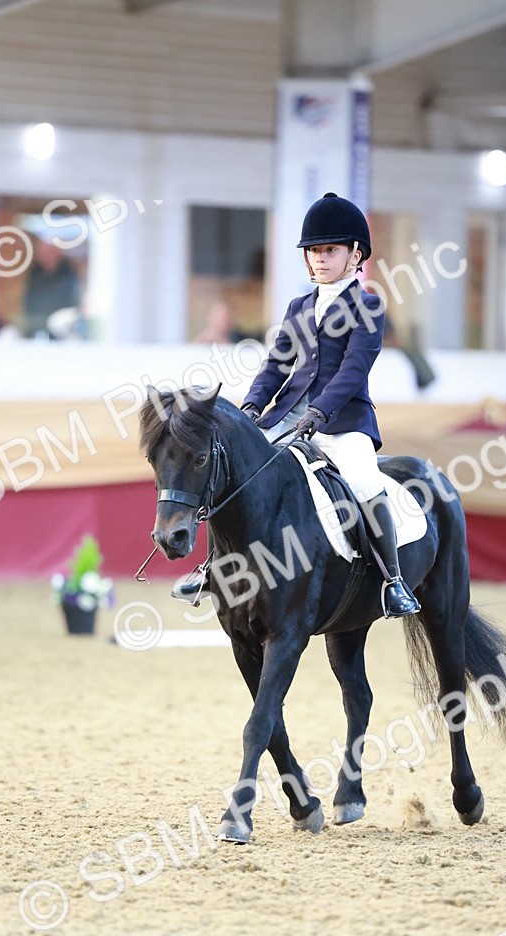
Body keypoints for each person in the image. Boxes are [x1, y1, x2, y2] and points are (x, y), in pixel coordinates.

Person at [173, 191, 419, 618]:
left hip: (343, 422)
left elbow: (353, 370)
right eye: (314, 251)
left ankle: (392, 581)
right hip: (286, 417)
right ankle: (213, 566)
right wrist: (252, 406)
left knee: (364, 481)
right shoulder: (299, 307)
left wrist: (320, 412)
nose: (320, 258)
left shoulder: (368, 305)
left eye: (330, 250)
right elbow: (276, 365)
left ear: (355, 254)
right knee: (233, 470)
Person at [22, 236, 81, 338]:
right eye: (43, 251)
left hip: (62, 331)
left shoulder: (69, 274)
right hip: (36, 329)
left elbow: (73, 302)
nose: (46, 255)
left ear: (57, 252)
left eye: (49, 251)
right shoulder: (35, 273)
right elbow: (29, 301)